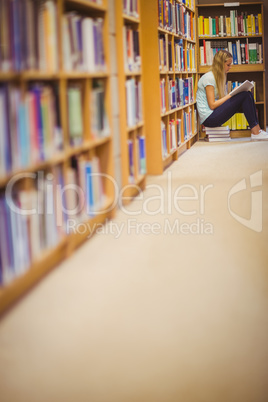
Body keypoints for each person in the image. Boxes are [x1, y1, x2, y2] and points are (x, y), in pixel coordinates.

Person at [196, 49, 268, 140]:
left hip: (214, 114)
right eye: (228, 65)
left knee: (248, 94)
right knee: (245, 96)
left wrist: (235, 93)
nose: (230, 67)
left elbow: (222, 101)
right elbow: (212, 105)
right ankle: (256, 132)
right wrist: (231, 94)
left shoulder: (220, 77)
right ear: (220, 64)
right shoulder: (209, 78)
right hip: (209, 119)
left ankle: (257, 130)